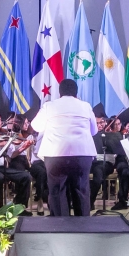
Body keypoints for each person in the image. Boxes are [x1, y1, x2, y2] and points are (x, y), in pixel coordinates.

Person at [30, 78, 97, 216]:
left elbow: (35, 126)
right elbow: (94, 130)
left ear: (59, 93)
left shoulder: (49, 106)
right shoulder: (85, 106)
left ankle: (61, 228)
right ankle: (83, 228)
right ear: (76, 93)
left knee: (57, 191)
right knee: (81, 190)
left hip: (56, 154)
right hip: (82, 154)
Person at [89, 114, 122, 207]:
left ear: (106, 122)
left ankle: (90, 201)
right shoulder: (89, 134)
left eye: (101, 122)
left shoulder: (113, 135)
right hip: (91, 162)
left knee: (98, 172)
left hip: (105, 163)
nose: (99, 125)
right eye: (96, 123)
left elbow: (116, 152)